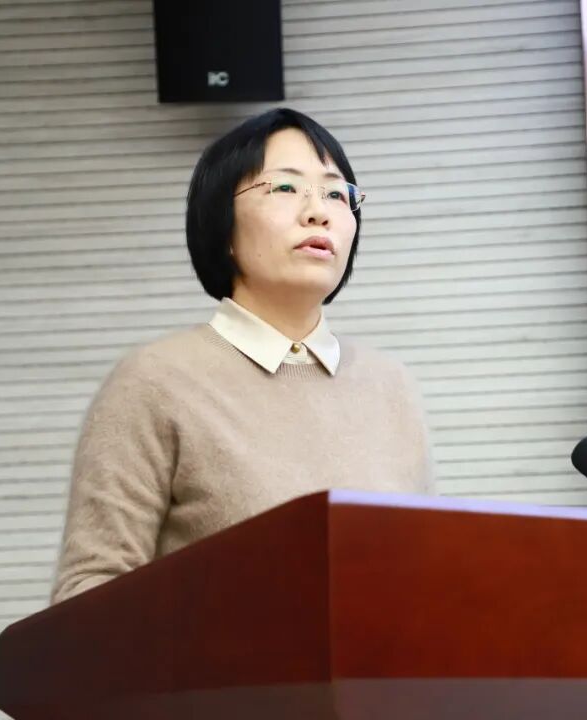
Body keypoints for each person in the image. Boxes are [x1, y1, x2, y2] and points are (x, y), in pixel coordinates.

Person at [50, 108, 436, 604]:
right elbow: (89, 591)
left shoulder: (390, 386)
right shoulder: (155, 381)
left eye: (336, 194)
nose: (318, 212)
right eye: (285, 187)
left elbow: (423, 578)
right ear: (223, 225)